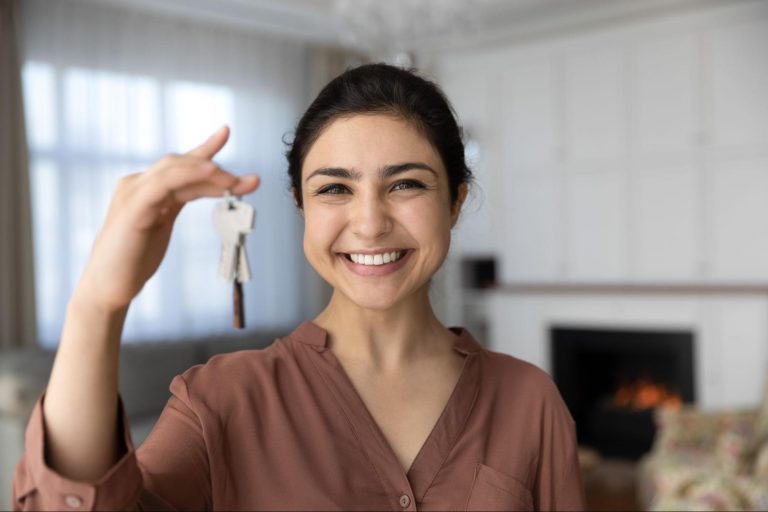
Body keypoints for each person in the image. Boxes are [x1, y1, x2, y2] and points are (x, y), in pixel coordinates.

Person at [12, 63, 585, 511]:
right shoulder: (220, 402)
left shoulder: (529, 401)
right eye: (334, 189)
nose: (369, 223)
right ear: (300, 205)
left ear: (455, 203)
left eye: (406, 184)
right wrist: (97, 304)